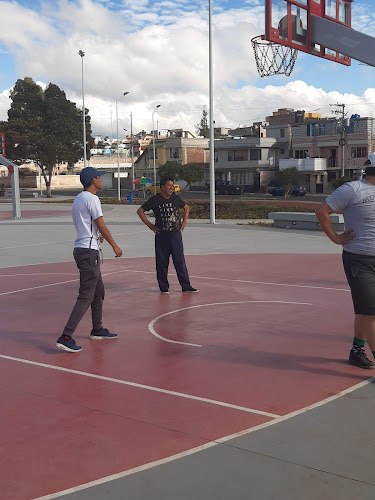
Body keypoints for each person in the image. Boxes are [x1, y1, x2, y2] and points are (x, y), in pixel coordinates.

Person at [316, 153, 375, 369]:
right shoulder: (353, 189)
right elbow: (322, 211)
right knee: (371, 313)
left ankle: (357, 350)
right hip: (359, 259)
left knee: (365, 310)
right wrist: (336, 238)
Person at [56, 167, 122, 352]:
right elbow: (101, 224)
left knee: (98, 292)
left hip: (83, 248)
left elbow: (89, 225)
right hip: (88, 252)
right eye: (100, 177)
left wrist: (95, 235)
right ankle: (66, 336)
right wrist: (114, 246)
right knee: (86, 295)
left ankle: (97, 329)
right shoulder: (92, 199)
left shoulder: (79, 199)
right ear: (93, 180)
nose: (101, 180)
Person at [137, 177, 198, 294]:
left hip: (175, 235)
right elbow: (140, 211)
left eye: (172, 185)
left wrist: (184, 223)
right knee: (162, 262)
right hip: (162, 235)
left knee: (179, 261)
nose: (171, 188)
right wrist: (150, 226)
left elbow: (186, 207)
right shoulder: (155, 200)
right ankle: (164, 287)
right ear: (162, 187)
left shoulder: (175, 198)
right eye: (169, 185)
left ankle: (186, 286)